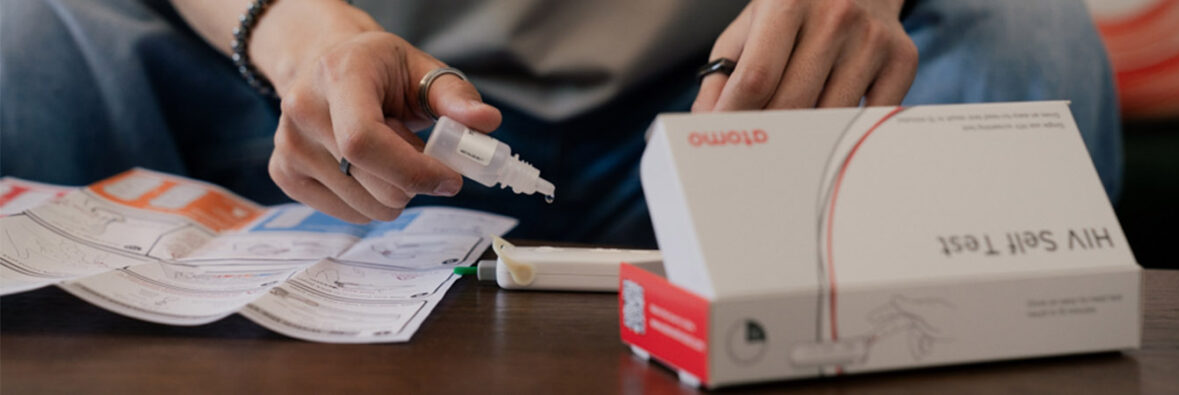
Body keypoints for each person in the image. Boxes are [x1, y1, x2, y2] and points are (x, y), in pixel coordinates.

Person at [1, 0, 1121, 247]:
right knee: (22, 45)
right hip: (338, 96)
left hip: (736, 99)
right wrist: (294, 38)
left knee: (1030, 43)